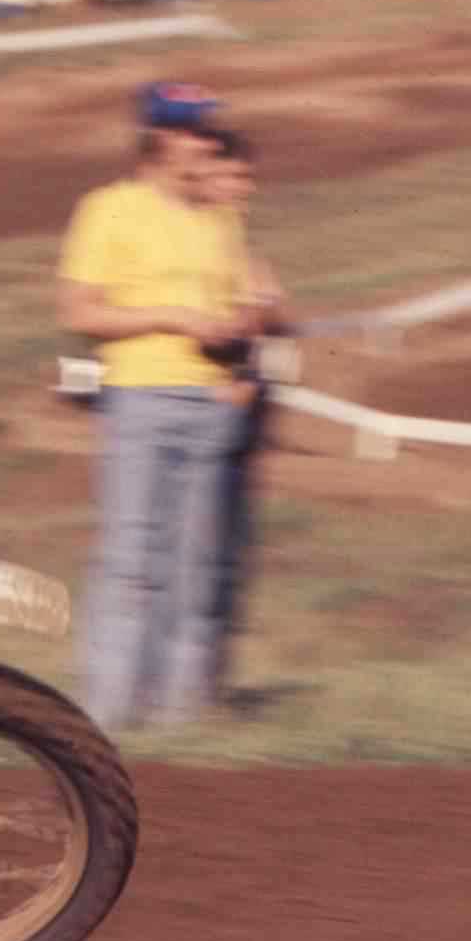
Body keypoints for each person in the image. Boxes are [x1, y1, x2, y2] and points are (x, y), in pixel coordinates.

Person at [54, 82, 258, 733]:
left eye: (208, 133)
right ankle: (108, 716)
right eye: (196, 133)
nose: (207, 144)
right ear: (162, 140)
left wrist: (239, 339)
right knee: (131, 559)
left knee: (194, 566)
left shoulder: (218, 217)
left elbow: (246, 300)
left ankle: (181, 722)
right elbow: (79, 312)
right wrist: (172, 316)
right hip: (142, 397)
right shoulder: (109, 210)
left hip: (213, 404)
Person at [191, 125, 295, 702]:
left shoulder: (232, 236)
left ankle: (210, 685)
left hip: (241, 408)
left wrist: (258, 311)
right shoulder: (191, 237)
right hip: (207, 404)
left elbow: (276, 310)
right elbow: (258, 311)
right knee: (200, 552)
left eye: (247, 177)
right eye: (233, 175)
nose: (245, 187)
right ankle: (190, 688)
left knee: (228, 555)